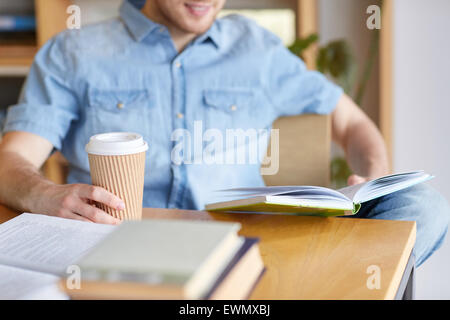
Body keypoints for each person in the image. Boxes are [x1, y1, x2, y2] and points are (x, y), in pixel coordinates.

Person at [0, 0, 448, 266]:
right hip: (120, 249)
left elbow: (353, 124)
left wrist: (372, 178)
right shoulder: (74, 51)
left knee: (422, 204)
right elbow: (11, 160)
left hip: (243, 248)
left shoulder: (258, 50)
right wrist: (44, 195)